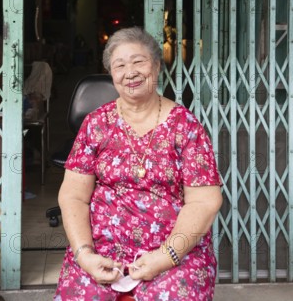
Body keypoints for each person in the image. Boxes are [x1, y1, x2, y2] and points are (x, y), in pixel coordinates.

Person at [54, 27, 223, 300]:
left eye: (138, 62)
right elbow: (73, 195)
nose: (129, 72)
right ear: (112, 74)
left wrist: (166, 256)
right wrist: (85, 255)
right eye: (119, 65)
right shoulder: (96, 124)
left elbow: (205, 201)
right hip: (102, 251)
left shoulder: (186, 126)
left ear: (156, 66)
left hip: (171, 252)